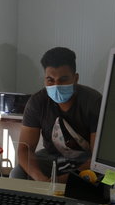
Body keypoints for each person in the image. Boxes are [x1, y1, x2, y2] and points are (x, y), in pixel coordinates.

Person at [10, 47, 102, 182]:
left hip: (86, 161)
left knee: (101, 179)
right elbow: (24, 150)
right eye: (50, 80)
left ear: (75, 78)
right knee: (18, 173)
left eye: (63, 79)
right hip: (51, 158)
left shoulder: (93, 101)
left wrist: (62, 181)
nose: (56, 85)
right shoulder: (37, 102)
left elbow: (96, 157)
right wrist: (40, 179)